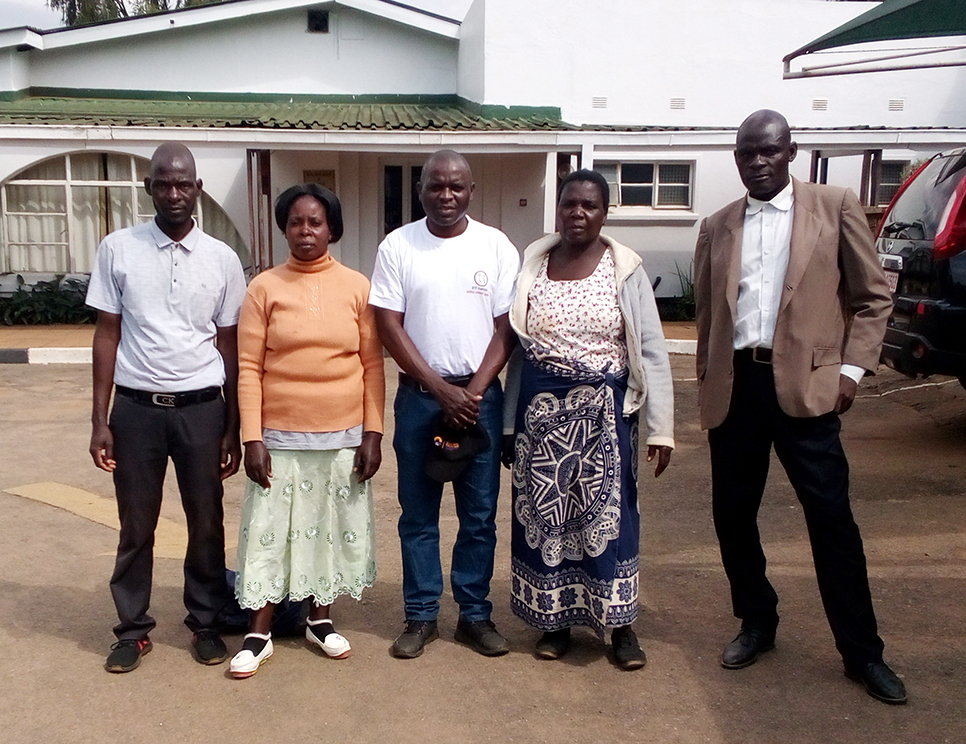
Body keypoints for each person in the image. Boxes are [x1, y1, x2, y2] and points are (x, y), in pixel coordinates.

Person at [693, 109, 906, 704]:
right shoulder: (717, 224)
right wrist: (708, 376)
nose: (756, 162)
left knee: (832, 520)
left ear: (790, 151)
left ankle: (863, 652)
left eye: (768, 151)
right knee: (733, 516)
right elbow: (709, 313)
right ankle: (757, 620)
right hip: (737, 390)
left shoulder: (834, 206)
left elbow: (872, 298)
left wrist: (851, 370)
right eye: (745, 154)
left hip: (809, 391)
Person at [503, 169, 674, 670]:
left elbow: (652, 351)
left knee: (609, 519)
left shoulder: (625, 268)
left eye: (590, 205)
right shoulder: (535, 263)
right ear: (558, 208)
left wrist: (661, 427)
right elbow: (520, 348)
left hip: (606, 411)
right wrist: (512, 425)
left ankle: (619, 626)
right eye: (570, 204)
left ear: (605, 212)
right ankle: (553, 623)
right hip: (541, 411)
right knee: (547, 518)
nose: (578, 213)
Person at [87, 142, 246, 673]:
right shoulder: (118, 248)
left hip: (202, 408)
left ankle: (204, 622)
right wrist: (99, 420)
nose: (174, 193)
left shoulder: (223, 259)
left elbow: (229, 346)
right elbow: (107, 335)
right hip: (135, 410)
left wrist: (233, 426)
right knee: (136, 524)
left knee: (207, 522)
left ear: (198, 189)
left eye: (184, 184)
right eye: (163, 183)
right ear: (149, 187)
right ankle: (132, 630)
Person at [229, 184, 385, 678]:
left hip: (342, 435)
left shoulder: (358, 287)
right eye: (296, 222)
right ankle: (259, 631)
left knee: (331, 529)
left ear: (332, 229)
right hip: (278, 437)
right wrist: (251, 438)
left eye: (315, 222)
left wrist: (373, 434)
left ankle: (321, 620)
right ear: (284, 228)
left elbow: (373, 365)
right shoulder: (264, 288)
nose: (305, 231)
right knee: (271, 534)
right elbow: (248, 367)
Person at [369, 149, 520, 658]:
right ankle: (421, 615)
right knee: (418, 514)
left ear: (471, 191)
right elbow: (388, 324)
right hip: (420, 398)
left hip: (480, 400)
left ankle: (475, 616)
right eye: (436, 186)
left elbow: (506, 330)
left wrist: (472, 392)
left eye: (456, 187)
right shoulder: (398, 246)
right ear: (422, 190)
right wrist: (440, 389)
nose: (447, 196)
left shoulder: (495, 246)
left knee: (479, 514)